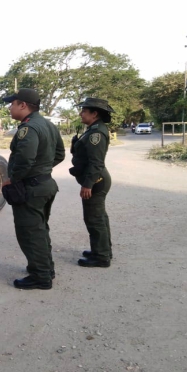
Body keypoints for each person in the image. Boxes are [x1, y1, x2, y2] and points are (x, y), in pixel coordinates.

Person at [2, 88, 65, 290]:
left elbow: (24, 159)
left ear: (23, 105)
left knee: (30, 233)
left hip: (32, 188)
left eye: (12, 103)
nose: (10, 107)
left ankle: (40, 276)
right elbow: (60, 154)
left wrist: (12, 179)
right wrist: (42, 170)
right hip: (44, 184)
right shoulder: (48, 124)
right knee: (40, 230)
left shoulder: (28, 128)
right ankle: (45, 268)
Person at [70, 97, 114, 268]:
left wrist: (88, 184)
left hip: (96, 181)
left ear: (94, 114)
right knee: (99, 217)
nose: (81, 114)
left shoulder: (96, 133)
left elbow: (96, 163)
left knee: (94, 219)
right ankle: (102, 250)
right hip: (97, 179)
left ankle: (101, 257)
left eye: (84, 111)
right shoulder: (93, 129)